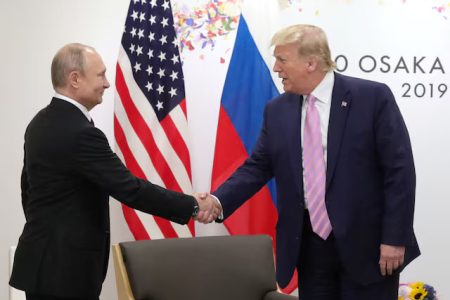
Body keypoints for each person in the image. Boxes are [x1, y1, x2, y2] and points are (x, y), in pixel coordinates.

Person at [208, 24, 420, 299]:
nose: (275, 68)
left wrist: (394, 238)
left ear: (311, 62)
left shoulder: (371, 98)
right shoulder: (277, 110)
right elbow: (259, 166)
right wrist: (217, 201)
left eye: (282, 59)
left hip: (369, 246)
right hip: (310, 247)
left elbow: (399, 173)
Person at [9, 43, 217, 300]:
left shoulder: (40, 122)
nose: (107, 84)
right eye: (101, 75)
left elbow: (28, 189)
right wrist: (192, 206)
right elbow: (130, 189)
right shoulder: (81, 133)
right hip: (66, 271)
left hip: (42, 264)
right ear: (75, 78)